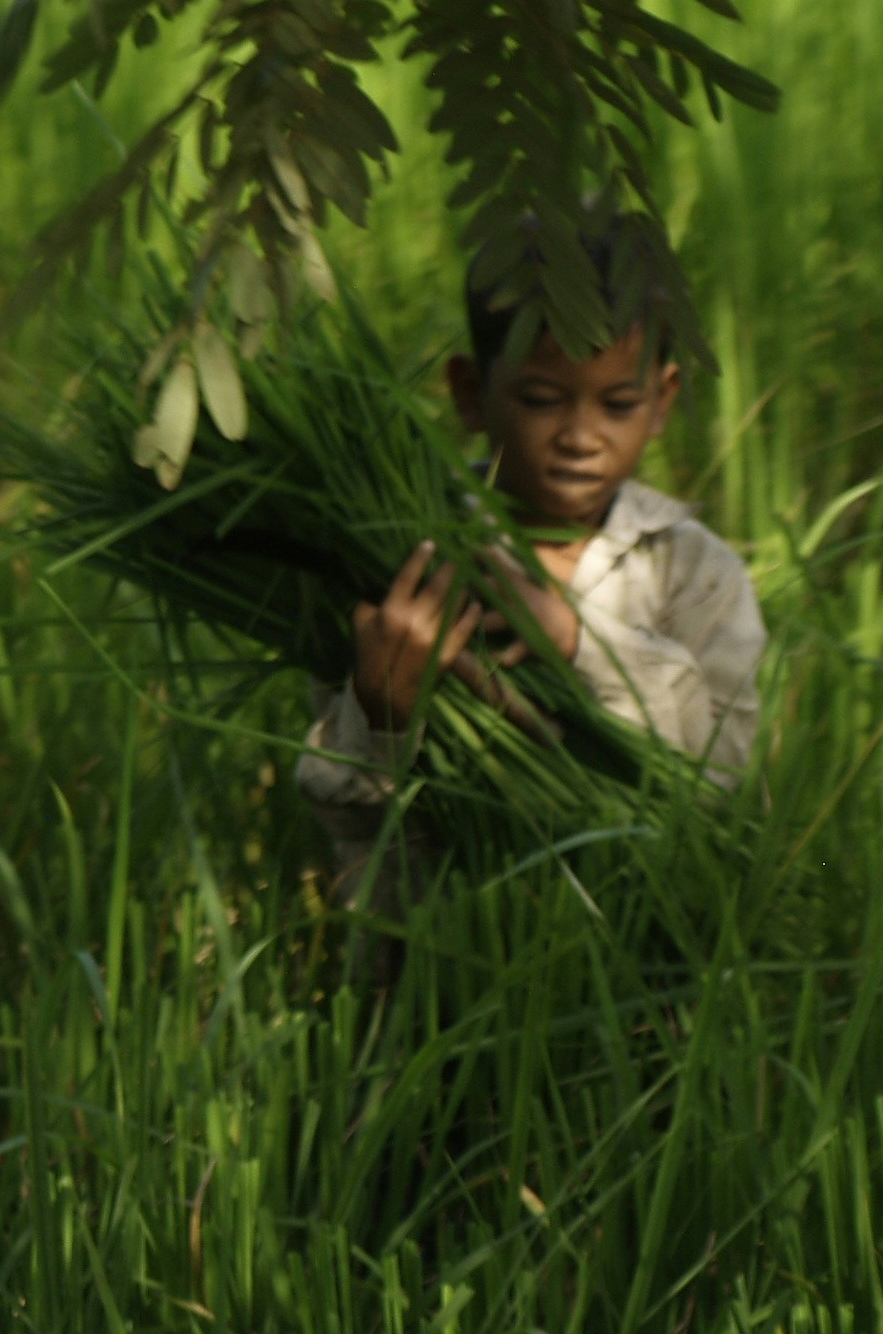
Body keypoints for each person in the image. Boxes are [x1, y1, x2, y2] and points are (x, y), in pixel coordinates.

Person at [297, 231, 765, 909]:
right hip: (435, 962)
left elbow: (722, 783)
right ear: (470, 393)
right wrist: (383, 711)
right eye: (543, 399)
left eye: (618, 405)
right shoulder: (408, 562)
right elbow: (345, 818)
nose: (580, 436)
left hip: (647, 956)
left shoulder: (696, 573)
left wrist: (582, 644)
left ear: (663, 399)